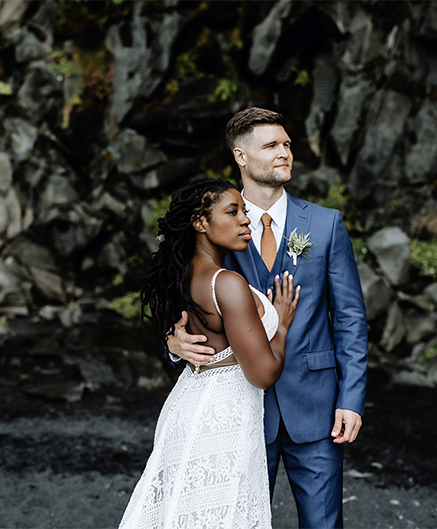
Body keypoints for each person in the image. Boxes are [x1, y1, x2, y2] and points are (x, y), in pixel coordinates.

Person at [168, 108, 369, 529]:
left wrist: (350, 399)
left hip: (316, 407)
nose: (285, 153)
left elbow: (350, 317)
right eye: (272, 146)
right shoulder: (217, 223)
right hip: (240, 408)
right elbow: (188, 298)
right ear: (241, 157)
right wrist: (173, 341)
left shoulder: (325, 224)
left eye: (288, 145)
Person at [119, 177, 300, 528]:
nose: (245, 220)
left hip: (190, 403)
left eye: (244, 211)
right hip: (220, 417)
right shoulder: (226, 283)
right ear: (200, 223)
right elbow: (262, 374)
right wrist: (281, 326)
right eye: (232, 212)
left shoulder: (184, 275)